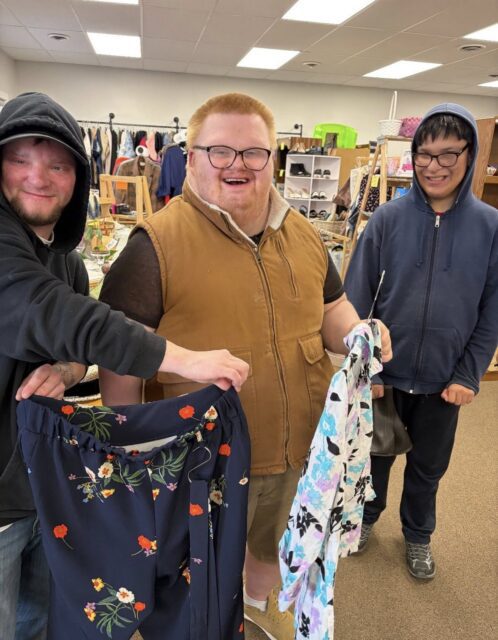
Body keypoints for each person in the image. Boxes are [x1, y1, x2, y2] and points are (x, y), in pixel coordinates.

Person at [98, 91, 392, 639]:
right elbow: (120, 359)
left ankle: (258, 613)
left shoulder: (302, 234)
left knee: (272, 548)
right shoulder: (154, 245)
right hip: (203, 462)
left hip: (298, 448)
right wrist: (133, 454)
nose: (238, 165)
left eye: (253, 152)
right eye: (220, 151)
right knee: (197, 580)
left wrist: (358, 333)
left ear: (271, 160)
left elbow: (331, 308)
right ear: (191, 157)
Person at [0, 91, 249, 640]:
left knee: (45, 618)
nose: (38, 177)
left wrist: (67, 371)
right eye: (19, 158)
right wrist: (184, 359)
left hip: (43, 480)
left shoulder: (64, 257)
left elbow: (70, 343)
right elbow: (50, 312)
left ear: (77, 175)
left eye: (57, 163)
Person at [345, 103, 498, 580]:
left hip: (445, 381)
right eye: (424, 155)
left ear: (470, 155)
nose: (434, 166)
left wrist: (468, 374)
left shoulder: (490, 227)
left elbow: (491, 311)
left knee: (428, 469)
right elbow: (354, 300)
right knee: (375, 459)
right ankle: (366, 520)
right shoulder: (388, 219)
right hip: (385, 379)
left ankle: (417, 536)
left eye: (448, 154)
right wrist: (366, 369)